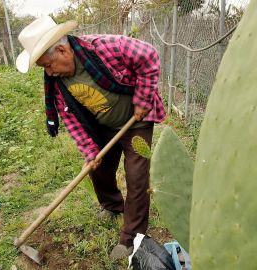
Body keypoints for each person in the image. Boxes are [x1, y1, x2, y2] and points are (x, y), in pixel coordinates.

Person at [16, 16, 166, 259]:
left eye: (47, 65)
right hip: (102, 126)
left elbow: (148, 55)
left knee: (137, 178)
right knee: (98, 169)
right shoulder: (58, 82)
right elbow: (71, 118)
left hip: (136, 122)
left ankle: (131, 239)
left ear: (62, 50)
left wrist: (142, 99)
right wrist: (90, 150)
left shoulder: (105, 47)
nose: (49, 73)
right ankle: (112, 205)